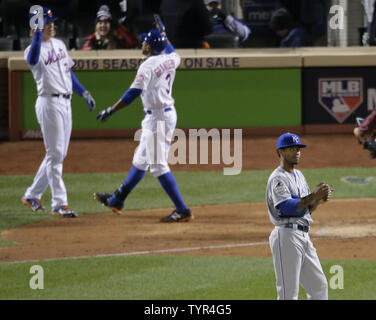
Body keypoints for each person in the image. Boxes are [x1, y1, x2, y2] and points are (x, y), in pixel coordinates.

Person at [94, 29, 193, 223]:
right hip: (162, 115)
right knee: (141, 160)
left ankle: (183, 210)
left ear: (151, 46)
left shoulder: (147, 66)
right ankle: (117, 200)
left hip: (158, 119)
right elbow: (171, 50)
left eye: (145, 42)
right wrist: (165, 33)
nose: (142, 44)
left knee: (157, 166)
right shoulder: (172, 58)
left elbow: (131, 94)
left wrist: (111, 110)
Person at [21, 7, 96, 217]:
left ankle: (32, 195)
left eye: (53, 22)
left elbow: (68, 72)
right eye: (48, 22)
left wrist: (83, 92)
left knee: (59, 154)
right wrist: (36, 34)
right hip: (49, 103)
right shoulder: (32, 50)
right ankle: (59, 203)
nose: (52, 25)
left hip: (65, 102)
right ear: (37, 26)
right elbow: (34, 59)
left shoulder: (60, 44)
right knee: (55, 155)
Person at [266, 133, 332, 300]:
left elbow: (306, 208)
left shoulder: (299, 176)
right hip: (287, 236)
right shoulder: (277, 179)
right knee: (288, 294)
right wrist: (313, 196)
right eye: (292, 148)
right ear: (280, 152)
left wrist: (319, 200)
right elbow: (287, 207)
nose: (297, 152)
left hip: (303, 236)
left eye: (298, 148)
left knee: (319, 286)